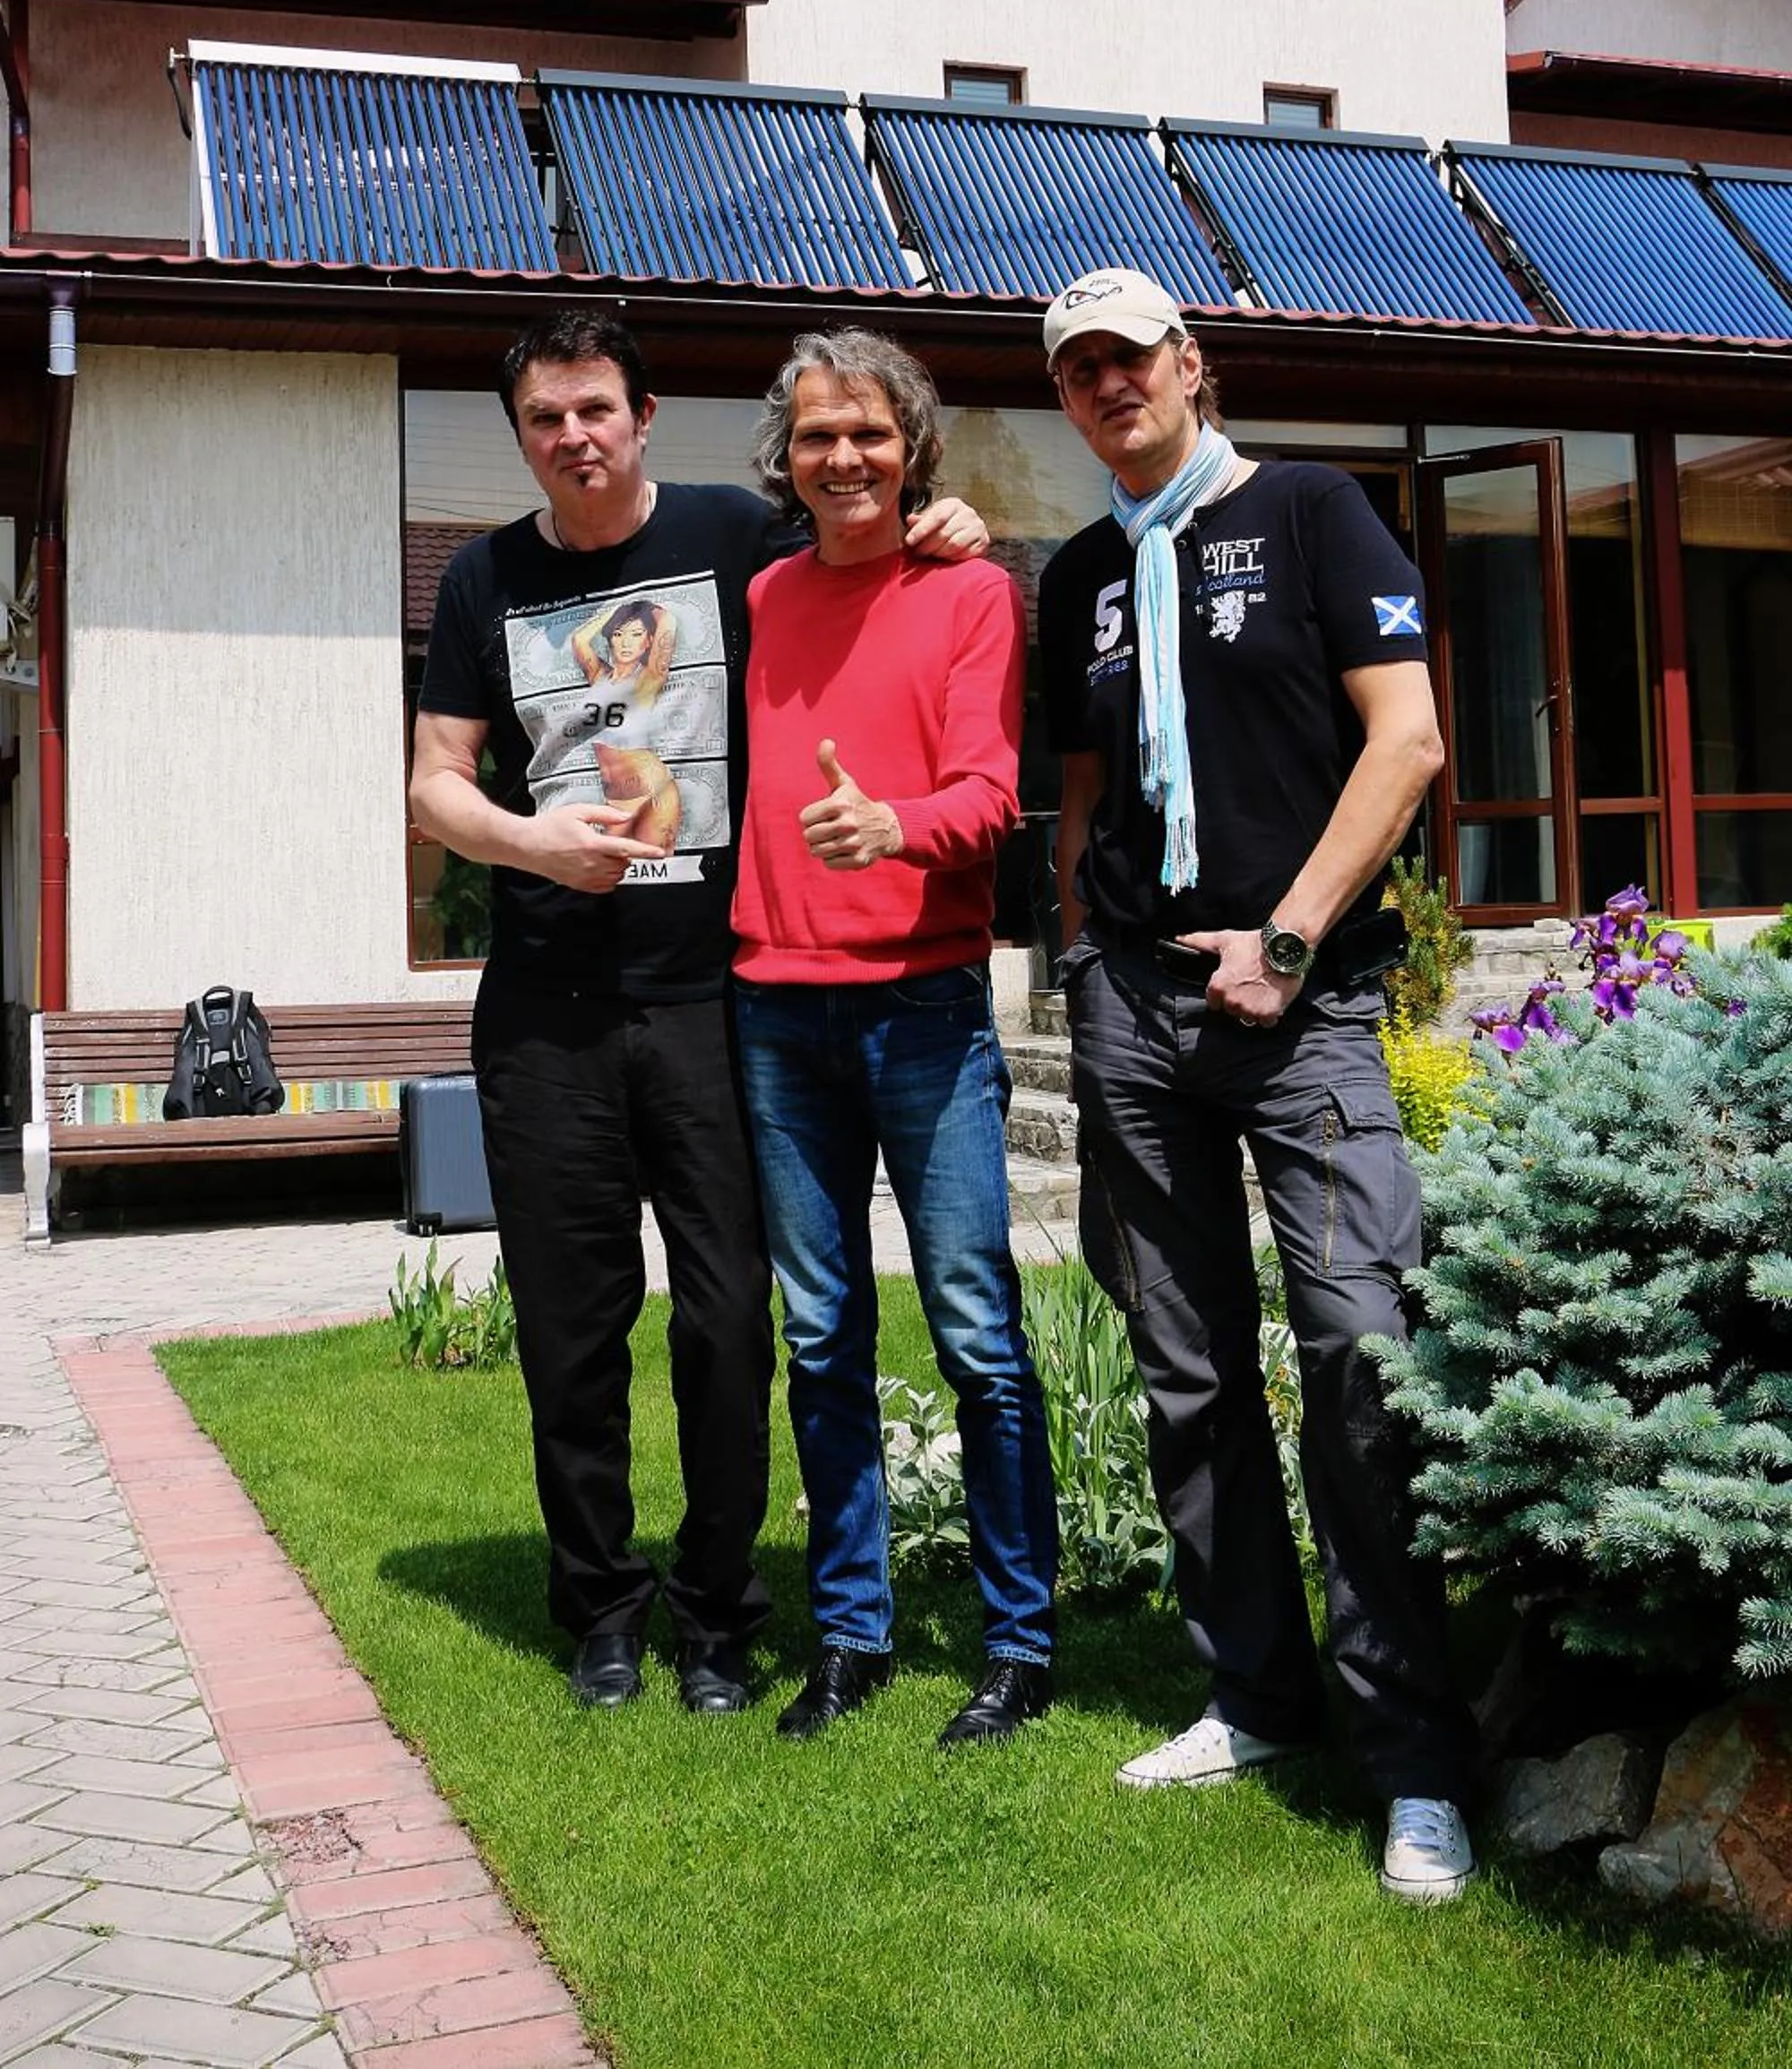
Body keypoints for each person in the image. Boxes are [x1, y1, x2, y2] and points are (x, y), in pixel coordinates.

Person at [409, 308, 986, 1718]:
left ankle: (720, 1611)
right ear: (525, 436)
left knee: (732, 1320)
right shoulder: (485, 580)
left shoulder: (736, 535)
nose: (574, 437)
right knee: (571, 1325)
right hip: (544, 1010)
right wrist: (533, 848)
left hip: (715, 1001)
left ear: (644, 414)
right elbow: (435, 783)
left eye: (596, 409)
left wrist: (938, 524)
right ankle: (602, 1606)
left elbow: (856, 567)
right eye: (546, 419)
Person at [1035, 267, 1480, 1900]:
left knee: (1362, 1356)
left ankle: (1418, 1764)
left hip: (1304, 1018)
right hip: (1137, 1021)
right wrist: (1091, 953)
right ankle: (1258, 1698)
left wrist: (1287, 938)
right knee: (1187, 1371)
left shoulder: (1310, 511)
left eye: (1129, 358)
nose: (1107, 387)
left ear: (1191, 363)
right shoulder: (1078, 571)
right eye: (1078, 373)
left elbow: (1411, 741)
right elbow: (1082, 797)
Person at [731, 328, 1059, 1746]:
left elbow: (994, 793)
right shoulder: (762, 594)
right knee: (822, 1341)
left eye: (868, 433)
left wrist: (896, 826)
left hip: (923, 1002)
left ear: (911, 446)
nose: (844, 457)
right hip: (774, 1005)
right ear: (785, 460)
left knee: (979, 1335)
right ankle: (850, 1637)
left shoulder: (974, 592)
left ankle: (1018, 1643)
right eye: (818, 436)